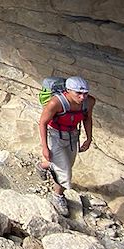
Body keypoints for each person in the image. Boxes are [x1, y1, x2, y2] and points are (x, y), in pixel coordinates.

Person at [36, 75, 95, 216]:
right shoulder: (55, 103)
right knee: (65, 171)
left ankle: (42, 166)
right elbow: (43, 123)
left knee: (67, 163)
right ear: (68, 91)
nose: (82, 97)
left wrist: (89, 138)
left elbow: (87, 118)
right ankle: (58, 197)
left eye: (85, 93)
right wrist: (45, 147)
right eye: (78, 93)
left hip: (72, 135)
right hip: (55, 135)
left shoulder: (89, 102)